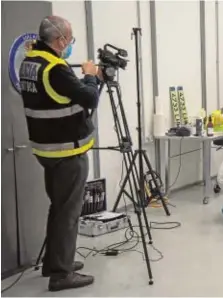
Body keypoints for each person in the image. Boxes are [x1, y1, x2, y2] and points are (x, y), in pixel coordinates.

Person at [19, 15, 102, 291]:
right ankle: (62, 274)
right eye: (70, 39)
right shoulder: (55, 68)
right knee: (68, 213)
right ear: (61, 40)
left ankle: (54, 264)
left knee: (58, 208)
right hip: (67, 151)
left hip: (46, 149)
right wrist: (91, 76)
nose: (70, 44)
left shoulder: (30, 62)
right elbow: (89, 98)